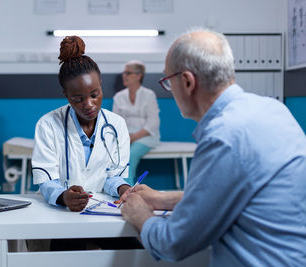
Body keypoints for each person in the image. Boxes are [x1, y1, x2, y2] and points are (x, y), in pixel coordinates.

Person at [121, 28, 306, 266]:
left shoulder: (223, 137)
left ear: (187, 82)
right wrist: (163, 198)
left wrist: (140, 216)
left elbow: (174, 243)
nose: (169, 90)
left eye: (168, 81)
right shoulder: (273, 109)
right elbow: (242, 197)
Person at [31, 36, 131, 212]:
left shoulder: (117, 125)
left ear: (101, 84)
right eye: (78, 99)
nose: (89, 105)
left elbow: (113, 177)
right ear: (66, 95)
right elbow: (47, 181)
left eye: (94, 94)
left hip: (103, 210)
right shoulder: (48, 125)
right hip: (60, 214)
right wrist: (64, 197)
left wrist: (125, 190)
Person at [112, 60, 160, 185]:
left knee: (130, 155)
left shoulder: (149, 95)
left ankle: (126, 189)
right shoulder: (118, 97)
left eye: (128, 73)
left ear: (139, 75)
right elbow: (116, 122)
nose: (124, 76)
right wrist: (126, 137)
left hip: (146, 137)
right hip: (125, 137)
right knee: (115, 155)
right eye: (124, 73)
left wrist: (133, 137)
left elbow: (153, 122)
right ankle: (114, 186)